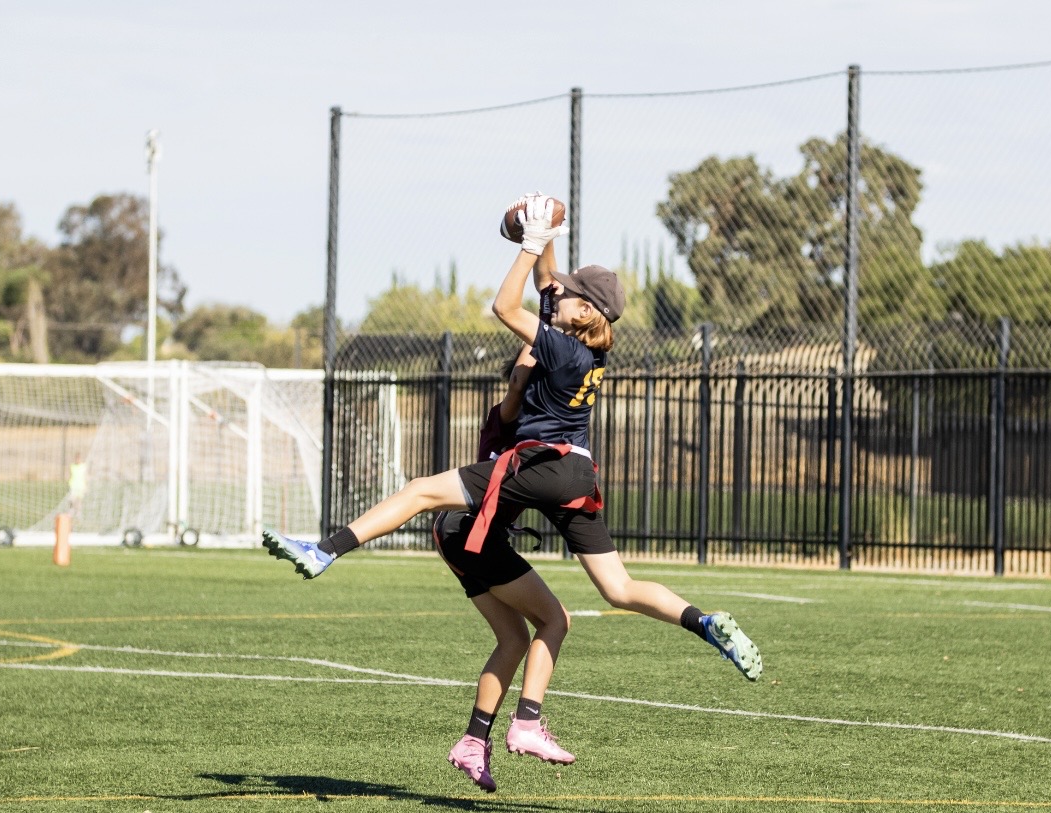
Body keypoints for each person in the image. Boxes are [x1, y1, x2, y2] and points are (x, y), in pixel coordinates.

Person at [263, 194, 762, 682]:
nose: (556, 293)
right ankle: (704, 623)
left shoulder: (564, 348)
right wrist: (544, 231)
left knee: (418, 492)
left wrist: (527, 246)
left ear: (586, 311)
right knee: (619, 586)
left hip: (540, 465)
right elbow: (548, 280)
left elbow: (504, 306)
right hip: (577, 474)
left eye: (568, 294)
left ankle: (324, 550)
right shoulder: (585, 346)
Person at [433, 350, 575, 793]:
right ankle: (527, 723)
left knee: (514, 639)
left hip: (462, 534)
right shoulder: (511, 410)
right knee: (555, 620)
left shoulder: (538, 422)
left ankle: (473, 742)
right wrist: (542, 328)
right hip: (470, 533)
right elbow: (517, 386)